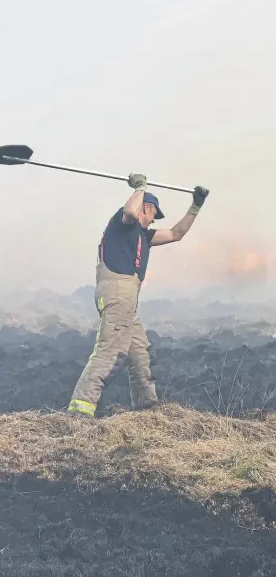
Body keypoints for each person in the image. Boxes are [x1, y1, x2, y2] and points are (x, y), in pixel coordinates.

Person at [67, 173, 209, 418]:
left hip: (128, 298)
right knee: (110, 350)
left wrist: (196, 206)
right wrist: (141, 187)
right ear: (147, 206)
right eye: (154, 213)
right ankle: (80, 409)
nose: (155, 219)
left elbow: (177, 233)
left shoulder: (145, 236)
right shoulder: (123, 224)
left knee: (139, 351)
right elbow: (131, 212)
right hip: (117, 292)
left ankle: (146, 407)